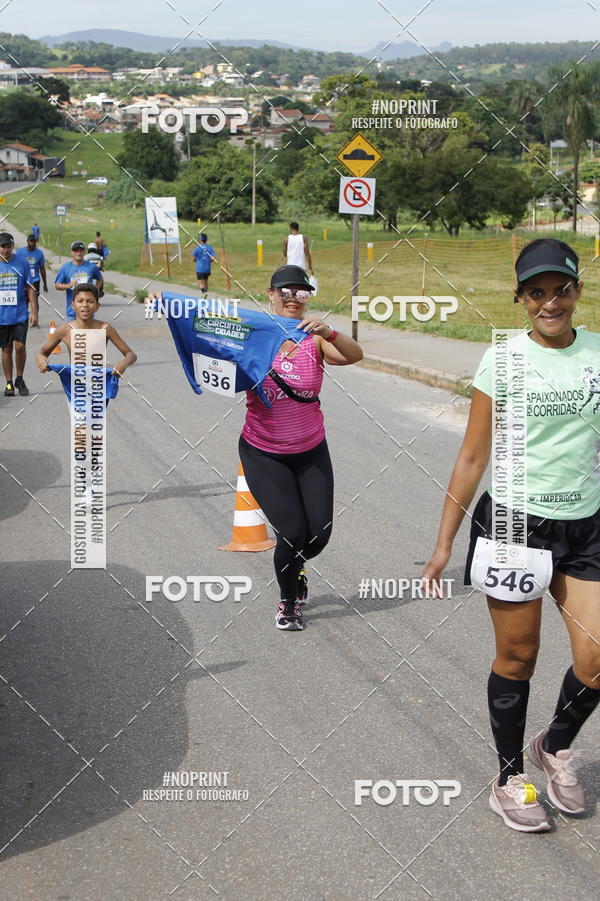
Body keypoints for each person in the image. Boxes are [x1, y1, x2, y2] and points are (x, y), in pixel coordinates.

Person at [423, 238, 600, 833]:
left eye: (562, 289)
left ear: (578, 290)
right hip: (514, 525)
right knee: (519, 655)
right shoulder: (503, 360)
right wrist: (445, 542)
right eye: (537, 292)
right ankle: (508, 779)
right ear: (521, 298)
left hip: (587, 524)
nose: (551, 302)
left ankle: (554, 744)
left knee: (597, 658)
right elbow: (473, 456)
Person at [239, 264, 362, 631]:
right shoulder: (253, 335)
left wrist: (330, 330)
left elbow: (355, 355)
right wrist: (169, 306)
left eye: (301, 292)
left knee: (318, 534)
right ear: (271, 294)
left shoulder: (317, 337)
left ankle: (295, 568)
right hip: (264, 452)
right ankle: (289, 601)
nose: (293, 299)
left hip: (310, 449)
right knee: (291, 533)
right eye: (285, 292)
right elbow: (206, 341)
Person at [36, 283, 136, 379]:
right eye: (80, 301)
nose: (85, 305)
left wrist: (123, 364)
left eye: (90, 301)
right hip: (76, 387)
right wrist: (41, 359)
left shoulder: (105, 328)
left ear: (97, 306)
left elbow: (131, 354)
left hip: (99, 387)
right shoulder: (65, 330)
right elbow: (42, 351)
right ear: (73, 305)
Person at [0, 231, 38, 396]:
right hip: (2, 316)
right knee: (6, 349)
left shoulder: (22, 263)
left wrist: (34, 312)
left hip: (19, 314)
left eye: (8, 246)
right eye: (2, 247)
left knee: (20, 346)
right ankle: (9, 383)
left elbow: (30, 288)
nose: (5, 250)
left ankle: (20, 378)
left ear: (13, 246)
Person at [55, 241, 104, 320]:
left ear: (84, 252)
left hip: (88, 312)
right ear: (71, 252)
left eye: (81, 251)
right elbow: (57, 285)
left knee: (89, 332)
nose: (78, 253)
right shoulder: (66, 268)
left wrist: (96, 290)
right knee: (72, 332)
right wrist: (69, 285)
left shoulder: (91, 267)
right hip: (72, 312)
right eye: (76, 251)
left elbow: (99, 279)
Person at [16, 233, 48, 314]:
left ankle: (35, 318)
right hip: (24, 280)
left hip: (35, 280)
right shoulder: (20, 252)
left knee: (34, 299)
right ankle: (24, 318)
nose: (32, 243)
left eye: (34, 241)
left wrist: (45, 283)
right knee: (25, 299)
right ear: (27, 241)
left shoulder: (39, 253)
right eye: (31, 241)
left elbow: (42, 269)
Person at [192, 233, 215, 298]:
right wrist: (209, 261)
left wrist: (196, 260)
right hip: (207, 267)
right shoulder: (210, 248)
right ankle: (205, 293)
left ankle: (203, 292)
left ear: (200, 239)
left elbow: (194, 258)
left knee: (200, 281)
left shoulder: (197, 248)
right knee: (206, 280)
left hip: (200, 268)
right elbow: (213, 258)